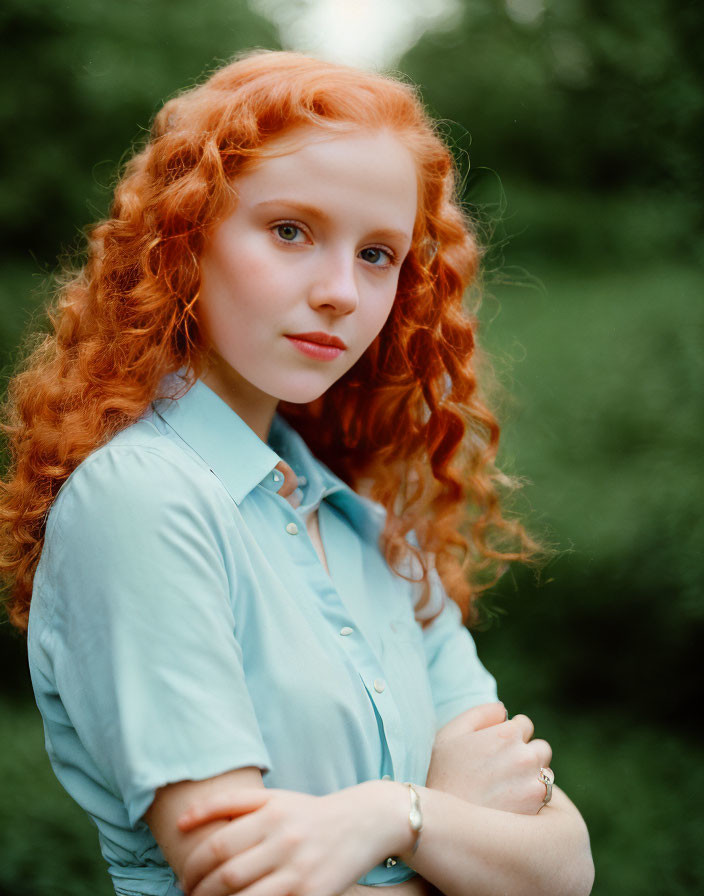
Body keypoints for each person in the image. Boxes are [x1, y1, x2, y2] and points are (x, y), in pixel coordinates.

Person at [0, 48, 594, 896]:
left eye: (379, 254)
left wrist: (392, 816)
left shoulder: (370, 529)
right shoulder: (142, 499)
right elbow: (238, 884)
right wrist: (440, 825)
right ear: (184, 233)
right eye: (290, 231)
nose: (340, 293)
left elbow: (565, 866)